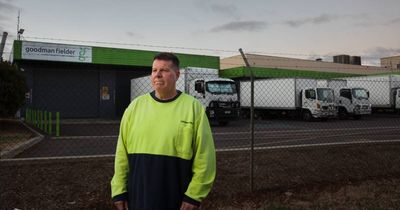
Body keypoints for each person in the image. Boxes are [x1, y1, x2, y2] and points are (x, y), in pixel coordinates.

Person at [111, 52, 216, 210]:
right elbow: (121, 155)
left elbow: (205, 157)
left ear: (177, 74)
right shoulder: (135, 107)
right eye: (154, 70)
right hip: (138, 198)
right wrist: (119, 190)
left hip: (178, 200)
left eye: (164, 70)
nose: (158, 75)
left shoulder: (193, 109)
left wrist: (194, 196)